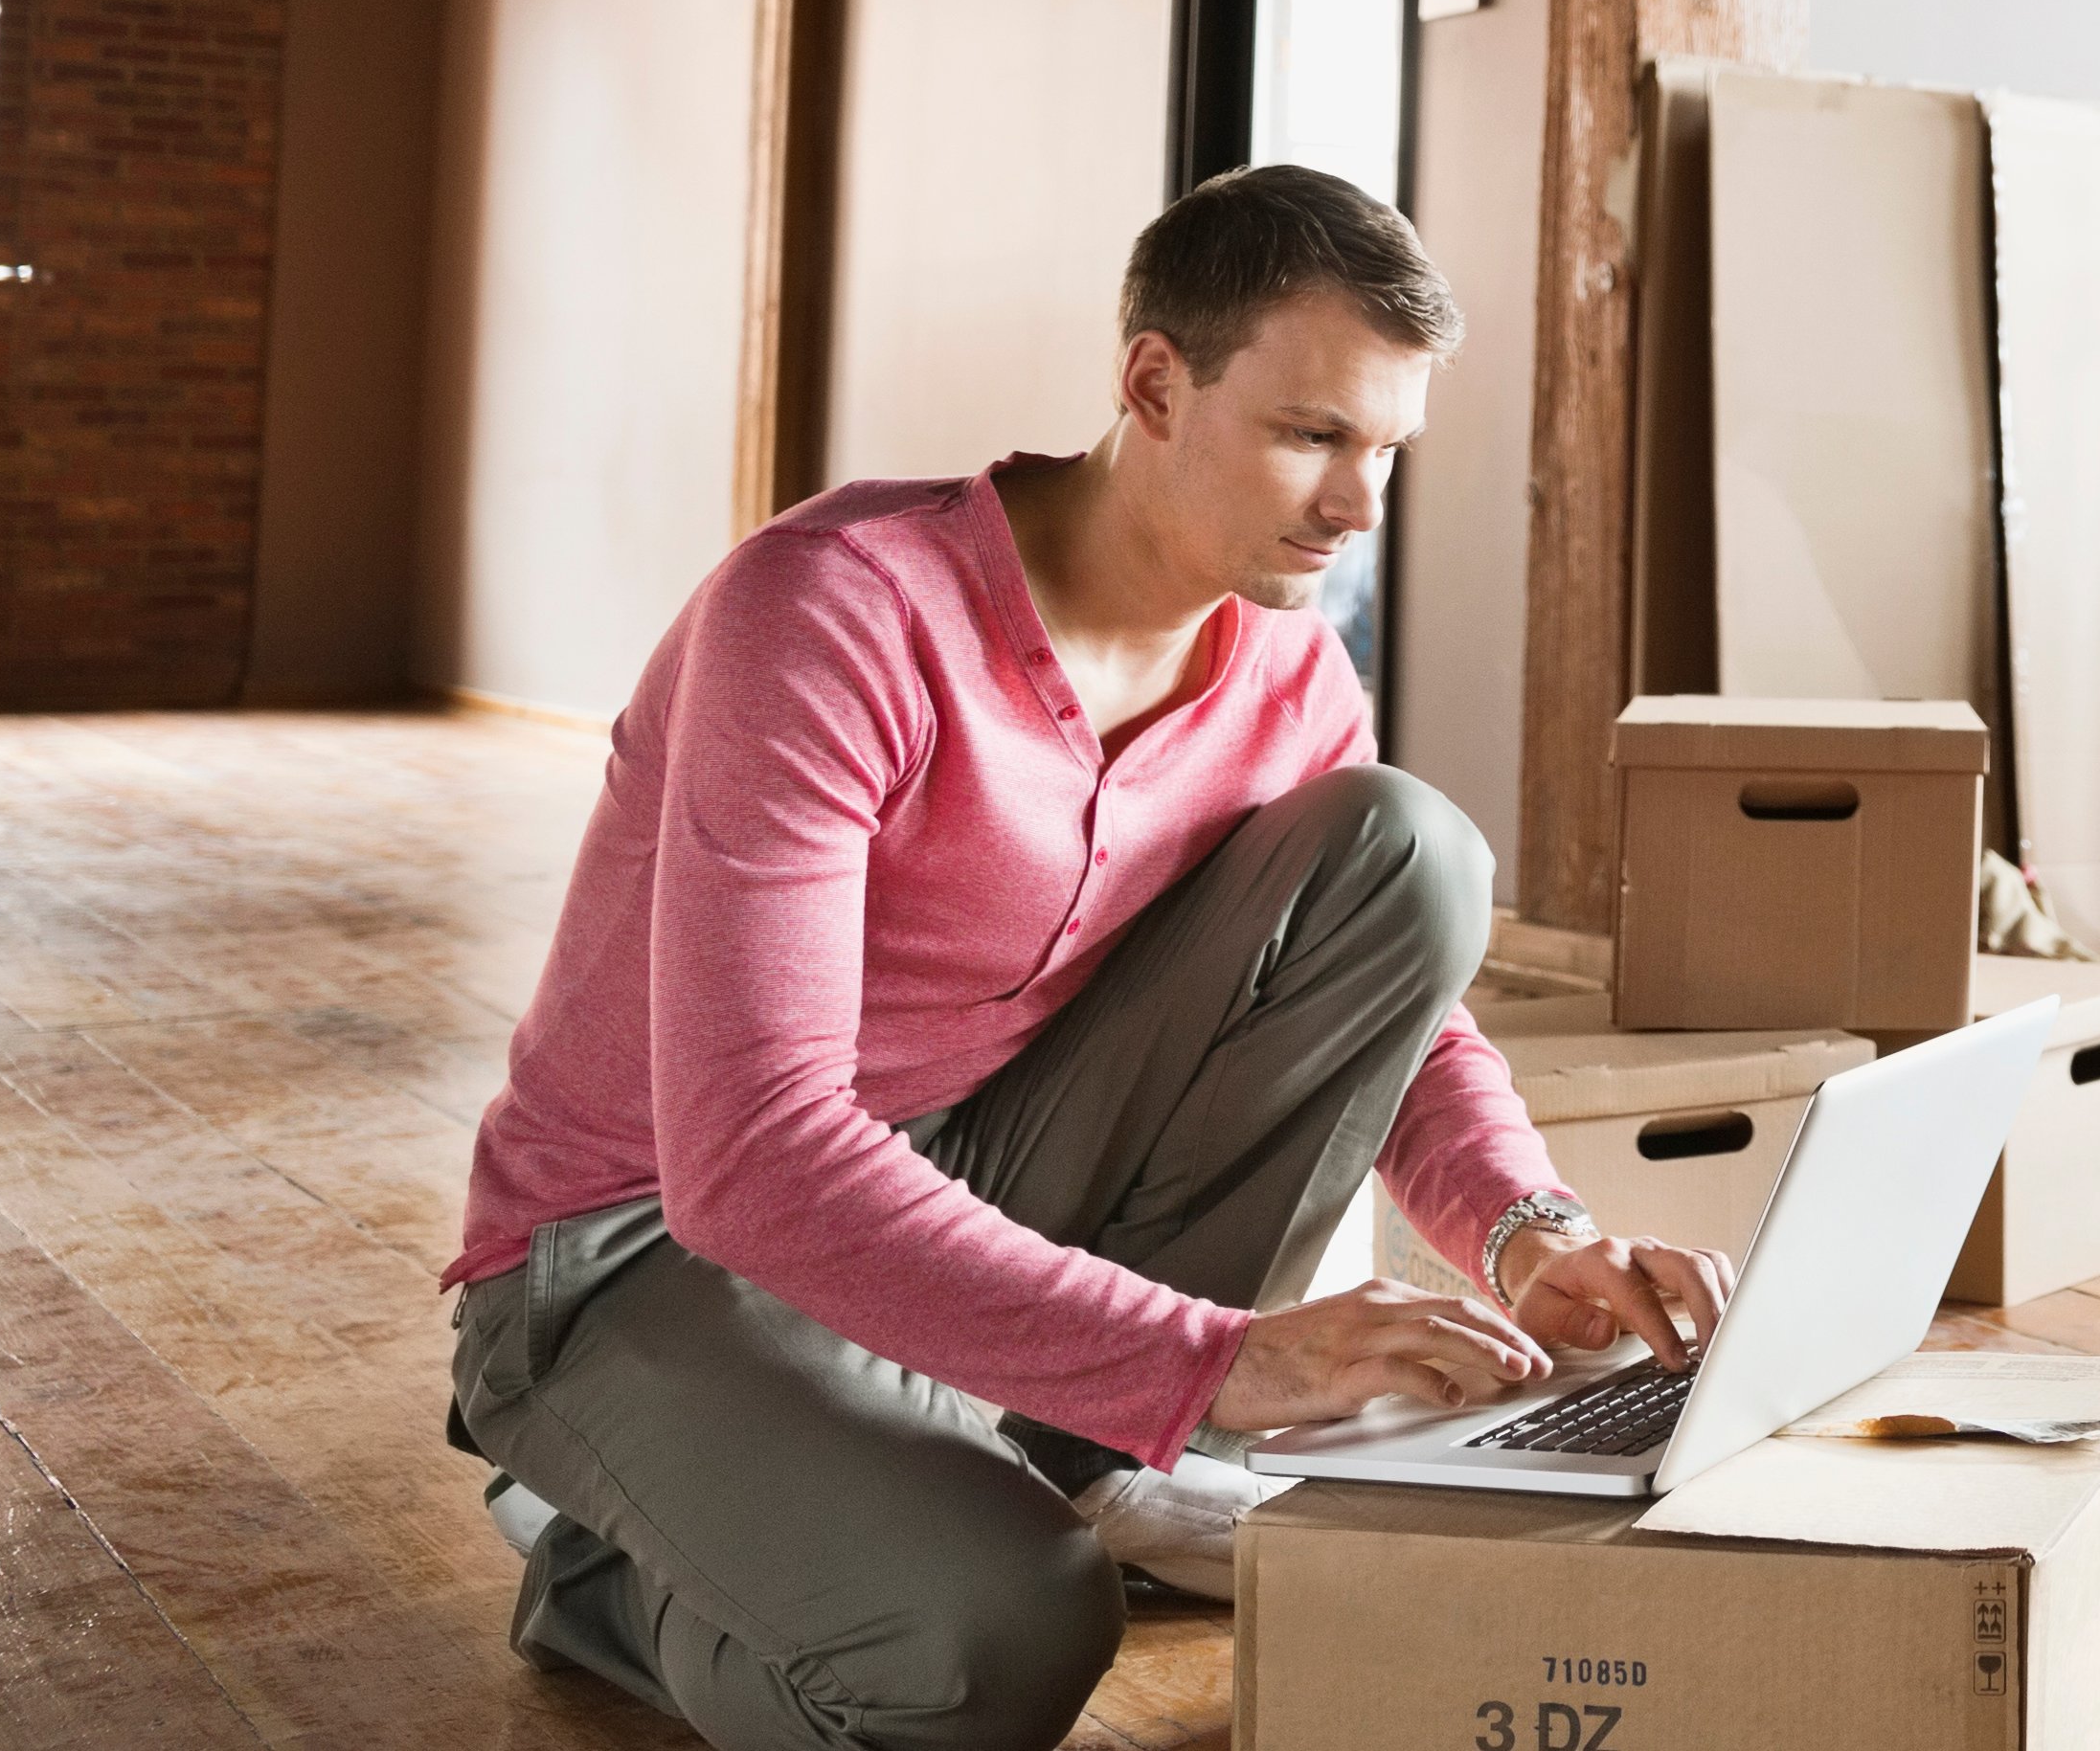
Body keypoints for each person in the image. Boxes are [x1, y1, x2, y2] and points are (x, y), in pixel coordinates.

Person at [448, 167, 1707, 1751]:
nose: (1357, 508)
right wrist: (1215, 1365)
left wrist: (1534, 1236)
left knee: (1405, 849)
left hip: (969, 1176)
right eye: (1313, 435)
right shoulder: (837, 612)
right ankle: (602, 1574)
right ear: (1154, 385)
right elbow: (753, 1162)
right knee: (998, 1648)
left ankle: (1003, 1452)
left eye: (1386, 450)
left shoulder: (1289, 664)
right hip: (640, 1253)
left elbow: (1414, 1029)